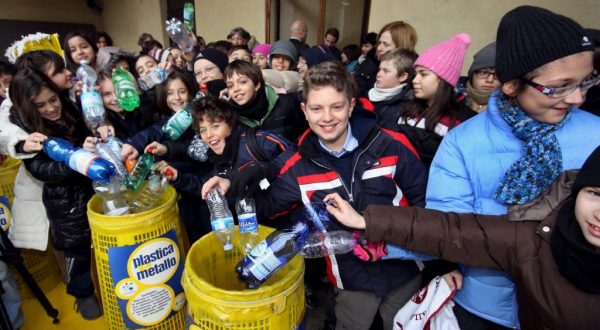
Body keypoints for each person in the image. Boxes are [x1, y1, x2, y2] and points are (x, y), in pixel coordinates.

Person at [424, 6, 600, 329]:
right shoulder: (463, 143)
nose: (577, 98)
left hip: (575, 308)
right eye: (560, 87)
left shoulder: (596, 134)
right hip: (486, 309)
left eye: (586, 82)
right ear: (511, 85)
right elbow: (446, 229)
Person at [224, 61, 428, 330]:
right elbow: (267, 207)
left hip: (407, 274)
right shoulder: (298, 166)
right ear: (304, 111)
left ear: (352, 105)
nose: (327, 117)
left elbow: (428, 207)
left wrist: (445, 266)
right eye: (317, 108)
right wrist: (231, 185)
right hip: (352, 281)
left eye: (337, 106)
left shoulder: (392, 145)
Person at [325, 144, 600, 330]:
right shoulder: (535, 238)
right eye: (595, 194)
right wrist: (366, 221)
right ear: (576, 191)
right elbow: (450, 232)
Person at [8, 70, 102, 320]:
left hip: (91, 188)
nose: (51, 108)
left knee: (101, 242)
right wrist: (74, 161)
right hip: (64, 201)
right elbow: (40, 169)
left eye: (53, 99)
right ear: (28, 108)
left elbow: (85, 133)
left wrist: (90, 145)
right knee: (76, 249)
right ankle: (82, 294)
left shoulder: (69, 109)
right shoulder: (29, 132)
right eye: (41, 105)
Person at [397, 33, 476, 165]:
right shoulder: (409, 109)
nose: (415, 80)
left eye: (424, 74)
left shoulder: (463, 122)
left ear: (444, 79)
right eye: (416, 74)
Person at [224, 60, 304, 141]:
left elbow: (306, 136)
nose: (236, 89)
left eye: (243, 82)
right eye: (230, 86)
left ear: (257, 85)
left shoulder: (288, 103)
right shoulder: (229, 117)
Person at [355, 21, 417, 97]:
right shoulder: (369, 62)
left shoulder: (414, 77)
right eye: (379, 43)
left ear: (401, 47)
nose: (379, 48)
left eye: (386, 44)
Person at [368, 48, 417, 130]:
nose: (379, 74)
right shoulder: (367, 93)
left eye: (386, 71)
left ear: (402, 77)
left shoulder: (404, 108)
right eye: (379, 69)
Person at [457, 42, 501, 112]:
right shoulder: (452, 95)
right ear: (472, 74)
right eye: (483, 73)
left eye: (497, 75)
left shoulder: (507, 108)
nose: (490, 80)